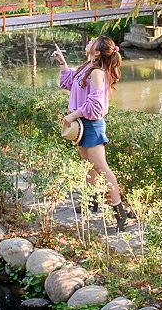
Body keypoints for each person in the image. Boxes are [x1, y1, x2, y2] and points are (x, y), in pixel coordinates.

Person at [53, 36, 136, 230]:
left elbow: (96, 105)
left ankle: (120, 212)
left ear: (97, 51)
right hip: (81, 124)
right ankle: (91, 201)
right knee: (88, 165)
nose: (89, 41)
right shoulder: (85, 67)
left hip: (91, 124)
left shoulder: (98, 73)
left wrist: (73, 115)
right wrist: (63, 63)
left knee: (102, 168)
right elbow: (69, 83)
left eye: (93, 41)